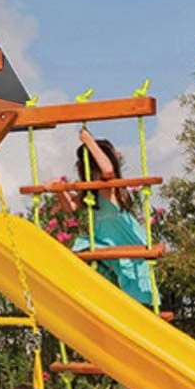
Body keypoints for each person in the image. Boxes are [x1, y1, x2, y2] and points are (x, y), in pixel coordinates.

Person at [46, 129, 153, 305]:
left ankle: (144, 308)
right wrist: (58, 190)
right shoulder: (91, 194)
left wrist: (89, 141)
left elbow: (108, 171)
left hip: (128, 244)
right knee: (109, 282)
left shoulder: (109, 189)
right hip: (107, 247)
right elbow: (70, 207)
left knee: (136, 288)